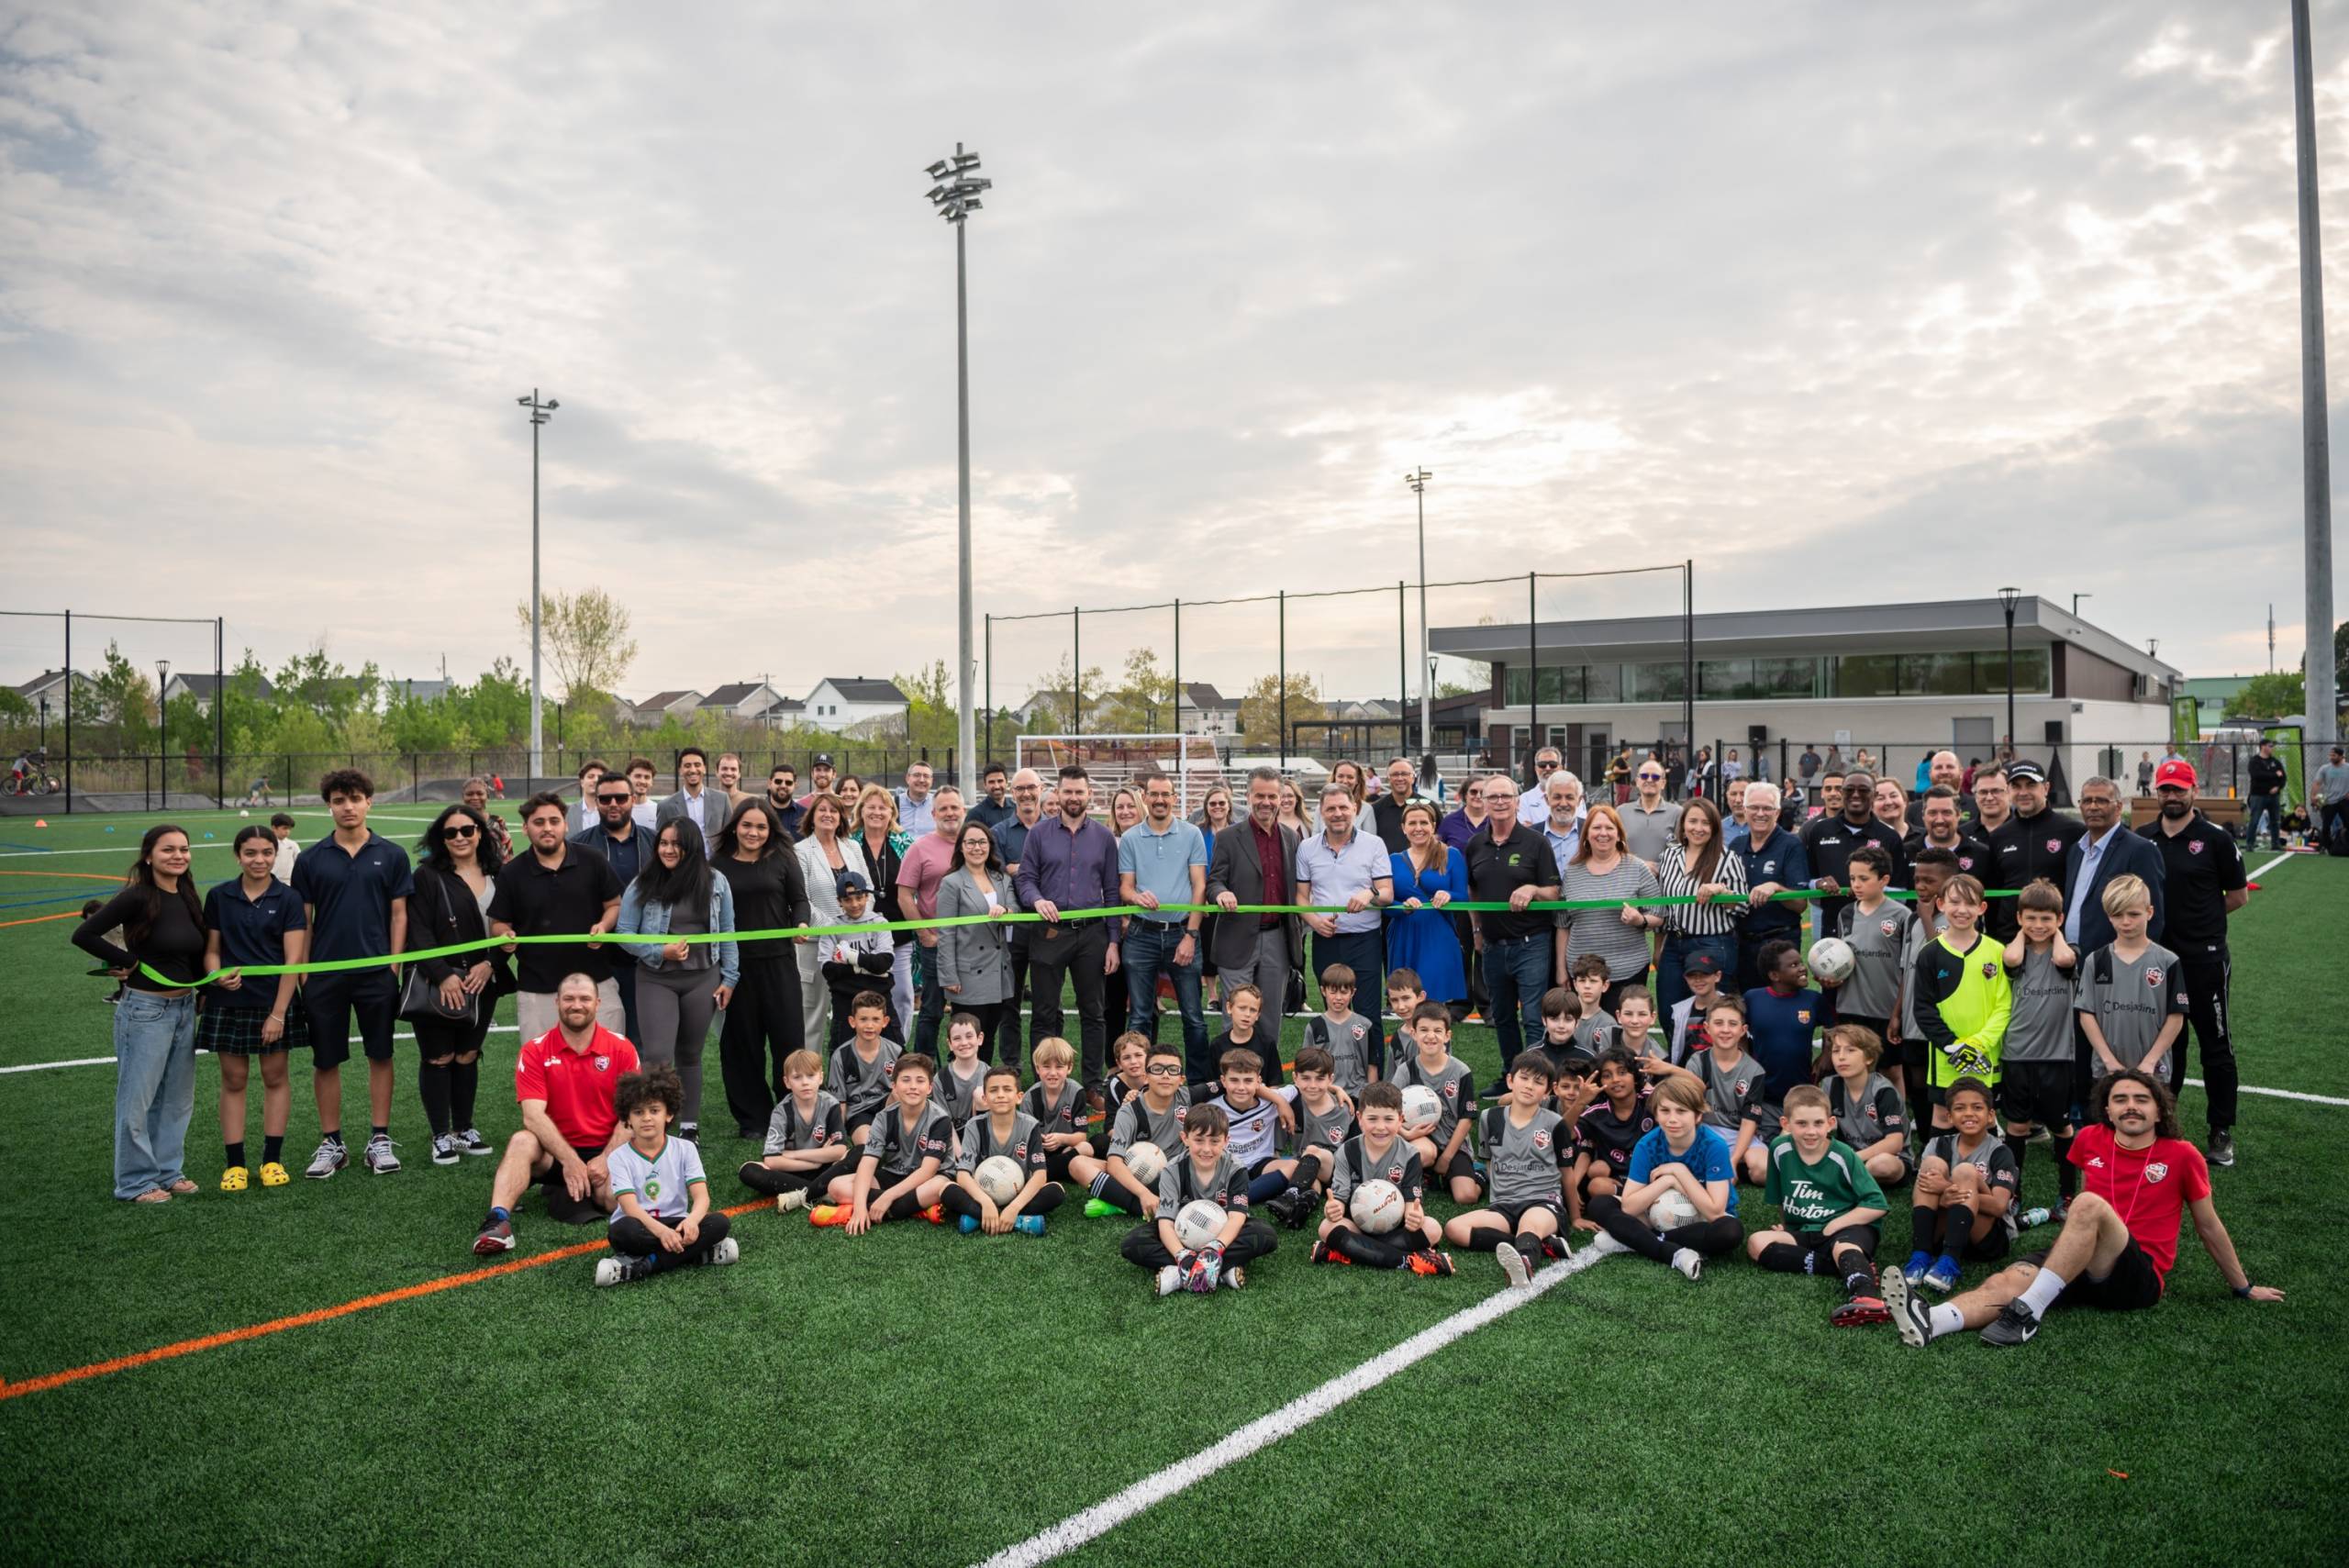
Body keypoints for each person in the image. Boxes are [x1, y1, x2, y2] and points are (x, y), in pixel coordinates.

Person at [1882, 1071, 2281, 1349]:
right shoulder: (2090, 1139)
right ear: (2107, 1110)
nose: (2130, 1106)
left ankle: (2028, 1313)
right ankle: (1932, 1320)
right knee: (2006, 1280)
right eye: (2120, 1100)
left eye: (2141, 1100)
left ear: (2159, 1111)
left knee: (2088, 1203)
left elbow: (2208, 1226)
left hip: (2137, 1273)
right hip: (2076, 1260)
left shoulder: (2183, 1154)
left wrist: (2242, 1286)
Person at [292, 770, 413, 1178]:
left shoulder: (392, 854)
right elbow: (304, 921)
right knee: (326, 1059)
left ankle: (380, 1138)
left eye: (356, 799)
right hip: (324, 976)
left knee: (381, 1054)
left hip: (376, 974)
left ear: (369, 803)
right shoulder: (311, 859)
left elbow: (399, 915)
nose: (348, 807)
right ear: (329, 806)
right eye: (339, 800)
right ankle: (332, 1142)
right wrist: (305, 973)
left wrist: (393, 965)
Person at [75, 825, 206, 1203]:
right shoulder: (136, 897)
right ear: (149, 856)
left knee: (177, 1099)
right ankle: (135, 1181)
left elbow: (192, 952)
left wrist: (206, 988)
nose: (178, 856)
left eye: (184, 849)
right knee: (138, 1100)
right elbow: (84, 935)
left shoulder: (187, 895)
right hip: (146, 1011)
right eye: (168, 850)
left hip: (183, 1009)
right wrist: (127, 960)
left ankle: (168, 1171)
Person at [472, 973, 639, 1254]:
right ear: (557, 1002)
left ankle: (592, 1190)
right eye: (569, 999)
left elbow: (632, 1115)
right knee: (522, 1140)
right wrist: (570, 1161)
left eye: (585, 999)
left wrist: (606, 1158)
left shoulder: (621, 1048)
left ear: (597, 1003)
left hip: (605, 1152)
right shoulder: (535, 1050)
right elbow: (532, 1116)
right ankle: (497, 1222)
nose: (577, 1005)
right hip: (555, 1153)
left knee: (612, 1200)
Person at [2141, 760, 2248, 1166]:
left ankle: (2220, 1130)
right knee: (2168, 1047)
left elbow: (2237, 896)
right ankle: (2165, 1125)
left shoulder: (2215, 839)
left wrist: (2202, 925)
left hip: (2204, 961)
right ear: (2157, 792)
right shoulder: (2143, 837)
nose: (2172, 796)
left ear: (2194, 791)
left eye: (2179, 789)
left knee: (2215, 1046)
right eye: (2165, 789)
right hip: (2157, 961)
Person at [198, 826, 312, 1188]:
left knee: (275, 1078)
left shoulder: (289, 898)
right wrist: (216, 976)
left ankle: (271, 1161)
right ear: (238, 856)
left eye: (266, 852)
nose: (259, 860)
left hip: (273, 1002)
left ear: (276, 855)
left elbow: (293, 961)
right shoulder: (219, 896)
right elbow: (211, 950)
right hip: (228, 1002)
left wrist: (278, 1013)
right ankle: (235, 1164)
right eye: (250, 853)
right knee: (233, 1080)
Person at [615, 819, 738, 1140]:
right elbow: (624, 933)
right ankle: (654, 1125)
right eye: (663, 843)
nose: (668, 850)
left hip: (703, 978)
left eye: (676, 844)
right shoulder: (644, 883)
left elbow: (728, 931)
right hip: (656, 978)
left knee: (690, 1054)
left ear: (691, 847)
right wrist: (660, 950)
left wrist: (730, 977)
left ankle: (688, 1127)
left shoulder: (716, 881)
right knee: (657, 1056)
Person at [406, 806, 512, 1165]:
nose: (460, 838)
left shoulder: (500, 873)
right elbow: (417, 930)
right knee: (438, 1056)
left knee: (467, 1054)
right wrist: (442, 974)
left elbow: (511, 929)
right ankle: (440, 1135)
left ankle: (464, 1128)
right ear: (441, 838)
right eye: (450, 833)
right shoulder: (427, 876)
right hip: (440, 982)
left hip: (484, 980)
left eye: (467, 830)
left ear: (480, 832)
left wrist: (491, 964)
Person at [1016, 764, 1124, 1099]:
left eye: (1079, 791)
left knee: (1094, 1011)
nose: (1073, 797)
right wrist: (1037, 900)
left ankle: (1092, 1083)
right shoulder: (1039, 834)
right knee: (1044, 1012)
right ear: (1057, 794)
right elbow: (1025, 879)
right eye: (1068, 791)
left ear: (1089, 794)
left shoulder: (1104, 837)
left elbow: (1112, 891)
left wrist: (1113, 942)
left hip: (1092, 935)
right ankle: (1044, 1082)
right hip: (1049, 932)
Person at [1747, 1084, 1891, 1326]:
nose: (1811, 1131)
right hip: (1807, 1230)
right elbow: (1781, 1198)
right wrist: (1788, 1230)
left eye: (1818, 1123)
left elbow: (1878, 1205)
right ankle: (1842, 1267)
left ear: (1830, 1123)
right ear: (1786, 1123)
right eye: (1802, 1124)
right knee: (1756, 1242)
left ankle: (1865, 1295)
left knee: (1842, 1247)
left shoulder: (1843, 1155)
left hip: (1848, 1228)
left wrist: (1836, 1224)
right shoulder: (1779, 1149)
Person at [489, 792, 625, 1045]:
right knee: (541, 1064)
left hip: (596, 982)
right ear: (525, 828)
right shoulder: (511, 873)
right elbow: (498, 922)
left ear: (566, 825)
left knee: (607, 1060)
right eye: (538, 822)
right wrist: (503, 935)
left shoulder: (593, 860)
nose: (547, 828)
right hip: (537, 987)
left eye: (554, 821)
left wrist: (604, 925)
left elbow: (614, 904)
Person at [708, 798, 808, 1139]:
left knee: (788, 1039)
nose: (754, 832)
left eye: (761, 827)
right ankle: (754, 1119)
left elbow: (799, 899)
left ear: (770, 830)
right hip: (736, 969)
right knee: (742, 1045)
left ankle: (792, 1111)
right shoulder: (718, 864)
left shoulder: (782, 858)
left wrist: (801, 923)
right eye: (747, 825)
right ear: (735, 827)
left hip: (779, 963)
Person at [1582, 1071, 1742, 1279]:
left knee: (1731, 1232)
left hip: (1702, 1218)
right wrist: (1667, 1180)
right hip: (1652, 1213)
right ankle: (1672, 1252)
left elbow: (1714, 1211)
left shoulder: (1714, 1146)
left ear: (1697, 1116)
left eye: (1681, 1111)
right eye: (1665, 1111)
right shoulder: (1647, 1144)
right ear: (1656, 1115)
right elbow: (1629, 1207)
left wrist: (1679, 1172)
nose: (1672, 1119)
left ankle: (1634, 1240)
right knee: (1599, 1203)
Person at [595, 1065, 738, 1285]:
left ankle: (644, 1265)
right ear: (627, 1118)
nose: (646, 1118)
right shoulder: (618, 1157)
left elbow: (701, 1197)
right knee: (622, 1231)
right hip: (640, 1225)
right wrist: (662, 1232)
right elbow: (630, 1207)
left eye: (654, 1110)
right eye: (638, 1112)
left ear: (669, 1113)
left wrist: (692, 1221)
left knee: (719, 1223)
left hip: (676, 1222)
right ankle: (698, 1254)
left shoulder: (685, 1149)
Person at [1464, 777, 1563, 1087]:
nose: (1500, 802)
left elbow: (1554, 893)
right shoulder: (1475, 845)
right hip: (1493, 945)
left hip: (1531, 942)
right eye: (1492, 796)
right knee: (1502, 1016)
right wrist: (1477, 929)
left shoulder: (1536, 842)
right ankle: (1510, 1075)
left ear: (1517, 801)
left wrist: (1533, 889)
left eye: (1506, 796)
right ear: (1483, 802)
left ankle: (1535, 1079)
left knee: (1532, 1016)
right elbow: (1472, 890)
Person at [1444, 1051, 1570, 1287]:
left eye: (1538, 1082)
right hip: (1504, 1205)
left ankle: (1524, 1262)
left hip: (1542, 1201)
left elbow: (1567, 1174)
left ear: (1547, 1091)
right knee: (1454, 1229)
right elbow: (1489, 1162)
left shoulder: (1555, 1123)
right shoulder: (1489, 1117)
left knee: (1529, 1224)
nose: (1529, 1086)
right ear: (1511, 1081)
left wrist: (1576, 1216)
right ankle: (1539, 1243)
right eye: (1524, 1078)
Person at [1120, 1105, 1276, 1296]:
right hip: (1182, 1236)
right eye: (1199, 1140)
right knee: (1133, 1243)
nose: (1206, 1149)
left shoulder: (1235, 1169)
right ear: (1185, 1138)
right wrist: (1181, 1254)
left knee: (1265, 1235)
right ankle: (1219, 1271)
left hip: (1222, 1236)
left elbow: (1236, 1218)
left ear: (1226, 1140)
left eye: (1215, 1141)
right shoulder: (1172, 1170)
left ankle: (1181, 1274)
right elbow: (1166, 1223)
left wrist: (1215, 1248)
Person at [1310, 1082, 1452, 1276]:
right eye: (1372, 1119)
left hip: (1395, 1228)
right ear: (1360, 1119)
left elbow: (1412, 1204)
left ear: (1400, 1119)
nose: (1380, 1127)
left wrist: (1415, 1217)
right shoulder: (1347, 1151)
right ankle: (1407, 1260)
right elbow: (1339, 1201)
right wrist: (1333, 1209)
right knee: (1327, 1227)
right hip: (1357, 1226)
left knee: (1432, 1228)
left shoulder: (1410, 1154)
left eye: (1388, 1119)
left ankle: (1348, 1251)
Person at [1119, 768, 1209, 1069]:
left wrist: (1190, 936)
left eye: (1165, 794)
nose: (1160, 800)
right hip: (1141, 935)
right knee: (1139, 1016)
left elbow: (1199, 886)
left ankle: (1199, 1080)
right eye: (1154, 794)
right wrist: (1136, 897)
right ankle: (1141, 1078)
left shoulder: (1191, 834)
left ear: (1174, 798)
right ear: (1144, 798)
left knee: (1193, 1016)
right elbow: (1125, 887)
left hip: (1181, 933)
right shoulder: (1130, 838)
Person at [1208, 766, 1306, 1037]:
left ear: (1280, 797)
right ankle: (1234, 1067)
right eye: (1260, 796)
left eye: (1272, 796)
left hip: (1278, 939)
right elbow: (1214, 881)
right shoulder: (1228, 837)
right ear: (1248, 796)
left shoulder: (1291, 837)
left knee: (1270, 1019)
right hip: (1237, 937)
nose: (1266, 802)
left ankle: (1267, 1067)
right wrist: (1221, 893)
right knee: (1236, 1020)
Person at [1998, 879, 2078, 1210]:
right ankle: (2012, 1193)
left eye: (2046, 918)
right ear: (2019, 918)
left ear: (2059, 919)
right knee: (2017, 1125)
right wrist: (2023, 933)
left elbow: (2064, 959)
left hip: (2057, 1055)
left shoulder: (2068, 952)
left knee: (2061, 1125)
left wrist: (2057, 933)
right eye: (2030, 918)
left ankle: (2067, 1194)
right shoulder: (2017, 954)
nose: (2038, 925)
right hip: (2017, 1053)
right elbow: (2011, 957)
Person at [1896, 1075, 2017, 1293]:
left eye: (1977, 1107)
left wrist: (1946, 1188)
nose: (1969, 1113)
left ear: (1991, 1116)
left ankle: (1949, 1263)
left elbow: (1999, 1207)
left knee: (1965, 1171)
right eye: (1960, 1108)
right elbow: (1921, 1193)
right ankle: (1920, 1255)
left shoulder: (2001, 1152)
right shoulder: (1937, 1144)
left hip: (1985, 1238)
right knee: (1932, 1164)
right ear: (1950, 1117)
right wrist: (1946, 1196)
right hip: (1940, 1231)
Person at [814, 1055, 952, 1233]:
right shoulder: (883, 1117)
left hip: (929, 1179)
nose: (913, 1086)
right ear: (894, 1086)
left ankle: (856, 1210)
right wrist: (860, 1207)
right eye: (906, 1080)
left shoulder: (940, 1119)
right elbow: (867, 1163)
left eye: (920, 1081)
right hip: (894, 1173)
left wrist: (888, 1196)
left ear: (930, 1088)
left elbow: (927, 1171)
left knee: (939, 1187)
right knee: (836, 1186)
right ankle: (917, 1209)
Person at [571, 770, 660, 1044]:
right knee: (597, 1038)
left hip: (643, 956)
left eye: (620, 798)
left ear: (632, 799)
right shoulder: (578, 844)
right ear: (596, 801)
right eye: (605, 799)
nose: (613, 804)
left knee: (640, 1039)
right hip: (596, 956)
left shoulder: (655, 842)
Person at [2076, 874, 2188, 1081]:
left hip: (2153, 1072)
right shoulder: (2096, 960)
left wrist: (2150, 1062)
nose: (2126, 922)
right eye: (2118, 915)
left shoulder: (2168, 961)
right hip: (2107, 1071)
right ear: (2109, 916)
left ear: (2149, 912)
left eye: (2134, 914)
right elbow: (2086, 1014)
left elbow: (2176, 1017)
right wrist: (2108, 1061)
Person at [1555, 803, 1663, 1014]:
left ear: (1619, 834)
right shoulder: (1572, 873)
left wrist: (1639, 920)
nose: (1603, 833)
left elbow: (1659, 914)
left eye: (1609, 828)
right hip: (1583, 974)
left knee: (1621, 1030)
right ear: (1586, 835)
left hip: (1628, 970)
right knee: (1587, 1028)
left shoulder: (1636, 868)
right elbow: (1562, 925)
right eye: (1596, 828)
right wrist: (1561, 969)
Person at [1296, 783, 1394, 1006]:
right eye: (1331, 809)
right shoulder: (1307, 847)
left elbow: (1387, 893)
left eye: (1343, 807)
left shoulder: (1374, 844)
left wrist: (1369, 893)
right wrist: (1315, 922)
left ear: (1355, 809)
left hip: (1365, 940)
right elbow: (1300, 896)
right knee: (1334, 1011)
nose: (1337, 814)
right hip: (1325, 940)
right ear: (1321, 812)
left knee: (1367, 1012)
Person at [941, 1062, 1063, 1237]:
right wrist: (986, 1202)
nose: (1000, 1095)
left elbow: (1040, 1175)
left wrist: (1014, 1207)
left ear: (1019, 1097)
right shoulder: (974, 1126)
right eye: (993, 1090)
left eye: (1007, 1089)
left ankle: (982, 1218)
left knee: (1056, 1191)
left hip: (1018, 1195)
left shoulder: (1030, 1126)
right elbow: (963, 1174)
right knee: (946, 1190)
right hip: (982, 1194)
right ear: (984, 1098)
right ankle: (1018, 1221)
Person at [1074, 1040, 1193, 1216]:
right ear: (1146, 1076)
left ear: (1181, 1079)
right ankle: (1146, 1205)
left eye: (1173, 1070)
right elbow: (1115, 1162)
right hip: (1135, 1168)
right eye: (1157, 1069)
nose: (1166, 1075)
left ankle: (1120, 1203)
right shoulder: (1129, 1109)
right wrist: (1143, 1193)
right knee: (1078, 1164)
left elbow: (1226, 1085)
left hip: (1174, 1172)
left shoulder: (1189, 1098)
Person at [1653, 795, 1746, 1020]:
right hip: (1674, 944)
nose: (1698, 828)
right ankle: (1677, 1046)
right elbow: (1662, 905)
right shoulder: (1669, 856)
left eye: (1705, 823)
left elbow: (1742, 906)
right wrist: (1658, 948)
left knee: (1714, 1014)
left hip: (1711, 944)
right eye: (1693, 821)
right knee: (1669, 1012)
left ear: (1714, 828)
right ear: (1683, 825)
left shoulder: (1727, 859)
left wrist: (1720, 891)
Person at [792, 791, 869, 1050]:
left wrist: (856, 926)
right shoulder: (800, 851)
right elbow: (801, 898)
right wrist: (837, 929)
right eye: (822, 810)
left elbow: (867, 889)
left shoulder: (853, 847)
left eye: (833, 810)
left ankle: (848, 1070)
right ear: (812, 816)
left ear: (841, 817)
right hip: (815, 947)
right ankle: (810, 1072)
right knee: (812, 1019)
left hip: (855, 947)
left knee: (854, 1016)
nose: (828, 814)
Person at [897, 784, 968, 1055]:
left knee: (967, 1011)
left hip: (972, 943)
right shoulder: (920, 848)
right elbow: (905, 895)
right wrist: (924, 933)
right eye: (943, 808)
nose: (950, 813)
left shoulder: (976, 843)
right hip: (937, 943)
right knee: (932, 1010)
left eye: (954, 807)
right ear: (934, 813)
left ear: (963, 810)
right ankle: (923, 1066)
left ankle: (963, 1067)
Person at [935, 821, 1015, 1060]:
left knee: (987, 1038)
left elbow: (1016, 910)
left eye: (982, 842)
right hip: (968, 974)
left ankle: (984, 1080)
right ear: (961, 847)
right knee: (964, 1039)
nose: (977, 848)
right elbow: (946, 931)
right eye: (970, 842)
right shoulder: (952, 882)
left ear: (990, 846)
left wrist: (1006, 911)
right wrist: (949, 975)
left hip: (998, 971)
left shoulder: (1002, 879)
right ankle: (957, 1081)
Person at [2060, 776, 2165, 953]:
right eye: (2087, 801)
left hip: (2115, 960)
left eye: (2102, 801)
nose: (2093, 807)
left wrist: (2136, 960)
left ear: (2118, 807)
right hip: (2070, 958)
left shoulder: (2140, 850)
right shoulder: (2075, 851)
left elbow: (2152, 919)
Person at [1383, 801, 1467, 1018]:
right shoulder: (1393, 860)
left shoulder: (1451, 855)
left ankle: (1436, 1038)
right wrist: (1402, 907)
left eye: (1424, 822)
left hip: (1437, 934)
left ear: (1433, 825)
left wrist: (1448, 895)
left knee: (1432, 998)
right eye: (1412, 823)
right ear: (1403, 828)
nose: (1418, 828)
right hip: (1403, 935)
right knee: (1406, 998)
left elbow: (1463, 897)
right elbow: (1385, 905)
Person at [736, 1048, 848, 1211]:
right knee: (748, 1171)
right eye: (797, 1077)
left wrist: (795, 1154)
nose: (805, 1082)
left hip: (825, 1167)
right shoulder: (782, 1112)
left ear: (820, 1077)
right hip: (792, 1170)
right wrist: (814, 1164)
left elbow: (839, 1150)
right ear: (787, 1082)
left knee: (859, 1152)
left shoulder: (830, 1104)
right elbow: (772, 1160)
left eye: (810, 1075)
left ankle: (807, 1192)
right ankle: (821, 1193)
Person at [1392, 1004, 1482, 1204]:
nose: (1430, 1036)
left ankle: (1478, 1175)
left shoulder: (1461, 1071)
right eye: (1424, 1030)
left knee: (1466, 1196)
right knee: (1423, 1153)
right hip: (1419, 1140)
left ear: (1447, 1036)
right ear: (1414, 1034)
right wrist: (1406, 1134)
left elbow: (1467, 1119)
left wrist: (1446, 1158)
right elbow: (1389, 1111)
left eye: (1437, 1031)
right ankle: (1423, 1176)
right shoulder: (1406, 1070)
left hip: (1453, 1143)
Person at [1726, 782, 1809, 991]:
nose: (1760, 813)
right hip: (1742, 943)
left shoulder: (1791, 845)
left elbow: (1800, 904)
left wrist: (1776, 887)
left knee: (1780, 1003)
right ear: (1745, 810)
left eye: (1767, 808)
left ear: (1777, 812)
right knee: (1746, 1003)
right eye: (1754, 807)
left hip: (1780, 943)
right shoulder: (1736, 845)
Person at [1801, 769, 1906, 935]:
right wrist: (1819, 883)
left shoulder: (1889, 836)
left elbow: (1901, 892)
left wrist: (1870, 891)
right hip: (1832, 926)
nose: (1855, 795)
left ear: (1874, 795)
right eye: (1849, 790)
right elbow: (1808, 878)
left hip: (1876, 929)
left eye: (1863, 790)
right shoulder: (1820, 830)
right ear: (1842, 793)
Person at [852, 784, 915, 1029]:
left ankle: (899, 1044)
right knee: (864, 998)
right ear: (861, 810)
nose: (877, 812)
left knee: (903, 995)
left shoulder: (905, 842)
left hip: (899, 932)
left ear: (892, 813)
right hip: (860, 934)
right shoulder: (849, 842)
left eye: (883, 807)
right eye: (871, 807)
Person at [995, 767, 1046, 1063]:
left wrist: (1018, 868)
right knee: (1009, 1001)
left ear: (1041, 789)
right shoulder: (999, 833)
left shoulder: (1055, 828)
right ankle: (1011, 1066)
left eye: (1031, 787)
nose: (1026, 793)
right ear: (1012, 793)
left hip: (1047, 924)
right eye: (1020, 789)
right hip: (1012, 924)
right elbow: (996, 873)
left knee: (1047, 1002)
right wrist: (1027, 870)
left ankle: (1046, 1065)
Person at [1822, 1024, 1911, 1186]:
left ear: (1869, 1058)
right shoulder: (1830, 1085)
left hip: (1889, 1158)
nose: (1841, 1057)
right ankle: (1848, 1178)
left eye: (1850, 1050)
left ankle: (1846, 1179)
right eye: (1836, 1051)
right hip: (1850, 1154)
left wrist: (1850, 1158)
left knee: (1882, 1165)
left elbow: (1895, 1142)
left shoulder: (1883, 1090)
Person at [818, 876, 896, 1041]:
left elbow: (883, 963)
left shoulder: (880, 922)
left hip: (880, 997)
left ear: (867, 897)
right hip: (845, 1000)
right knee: (843, 1049)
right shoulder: (830, 927)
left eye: (859, 898)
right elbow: (828, 971)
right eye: (847, 899)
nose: (854, 904)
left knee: (894, 1049)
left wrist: (849, 957)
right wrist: (865, 967)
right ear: (839, 901)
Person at [1901, 786, 1993, 883]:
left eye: (1946, 813)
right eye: (1933, 813)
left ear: (1958, 815)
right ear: (1923, 816)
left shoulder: (1982, 854)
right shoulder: (1906, 853)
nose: (1939, 820)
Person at [654, 747, 725, 849]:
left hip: (714, 859)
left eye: (697, 765)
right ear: (680, 770)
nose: (692, 770)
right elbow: (661, 843)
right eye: (687, 766)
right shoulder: (666, 806)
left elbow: (730, 837)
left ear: (704, 768)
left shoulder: (722, 800)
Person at [1364, 757, 1431, 851]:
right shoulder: (1375, 809)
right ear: (1388, 779)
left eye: (1404, 774)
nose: (1400, 778)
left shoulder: (1429, 807)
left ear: (1413, 778)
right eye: (1395, 774)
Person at [1619, 758, 1675, 866]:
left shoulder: (1677, 813)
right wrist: (1641, 866)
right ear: (1637, 782)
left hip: (1665, 876)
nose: (1649, 780)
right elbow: (1613, 851)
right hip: (1628, 876)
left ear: (1663, 783)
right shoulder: (1621, 812)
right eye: (1644, 776)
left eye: (1655, 777)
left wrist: (1658, 868)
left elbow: (1684, 853)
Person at [1536, 771, 1587, 871]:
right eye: (1557, 797)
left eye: (1569, 797)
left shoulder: (1590, 831)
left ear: (1579, 800)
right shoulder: (1532, 835)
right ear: (1547, 799)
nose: (1563, 803)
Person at [2243, 738, 2288, 851]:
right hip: (2258, 795)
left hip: (2274, 796)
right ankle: (2250, 844)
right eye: (2270, 746)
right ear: (2263, 747)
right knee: (2254, 820)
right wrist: (2274, 774)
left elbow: (2283, 777)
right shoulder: (2255, 761)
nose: (2272, 748)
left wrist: (2278, 787)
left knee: (2275, 821)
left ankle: (2275, 843)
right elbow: (2257, 775)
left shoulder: (2275, 762)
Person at [462, 777, 515, 860]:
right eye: (469, 794)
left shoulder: (498, 822)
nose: (475, 797)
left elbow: (509, 852)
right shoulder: (455, 823)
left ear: (487, 796)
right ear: (463, 797)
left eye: (480, 794)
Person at [1518, 746, 1564, 826]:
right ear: (1536, 769)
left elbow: (1580, 828)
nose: (1548, 768)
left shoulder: (1574, 797)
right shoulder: (1524, 800)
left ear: (1560, 768)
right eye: (1542, 765)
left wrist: (1534, 827)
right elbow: (1525, 831)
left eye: (1553, 764)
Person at [2316, 745, 2349, 854]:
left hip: (2344, 801)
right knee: (2326, 827)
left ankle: (2346, 847)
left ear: (2341, 756)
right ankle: (2329, 848)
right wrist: (2313, 797)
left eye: (2333, 755)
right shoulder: (2324, 768)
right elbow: (2317, 783)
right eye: (2330, 755)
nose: (2331, 757)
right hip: (2329, 801)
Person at [969, 762, 1017, 834]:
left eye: (1000, 781)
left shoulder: (1016, 809)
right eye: (991, 782)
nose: (996, 786)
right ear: (985, 785)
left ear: (1006, 783)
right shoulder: (975, 815)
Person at [896, 762, 938, 838]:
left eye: (926, 776)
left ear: (931, 781)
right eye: (917, 775)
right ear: (907, 778)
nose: (921, 780)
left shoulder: (938, 804)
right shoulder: (893, 804)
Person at [569, 758, 607, 835]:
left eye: (600, 777)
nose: (596, 780)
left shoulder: (612, 811)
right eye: (591, 776)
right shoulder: (569, 812)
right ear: (582, 782)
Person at [765, 762, 804, 840]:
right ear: (769, 783)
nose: (783, 785)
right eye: (778, 781)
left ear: (795, 785)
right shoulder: (757, 811)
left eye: (788, 783)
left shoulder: (805, 815)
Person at [623, 759, 660, 832]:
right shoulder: (619, 809)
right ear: (627, 778)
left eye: (647, 777)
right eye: (638, 776)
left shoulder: (658, 810)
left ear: (652, 782)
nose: (642, 781)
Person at [266, 812, 301, 885]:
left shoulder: (293, 845)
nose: (287, 831)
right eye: (284, 828)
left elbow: (299, 862)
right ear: (274, 828)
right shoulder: (267, 845)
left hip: (289, 881)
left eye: (289, 829)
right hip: (271, 881)